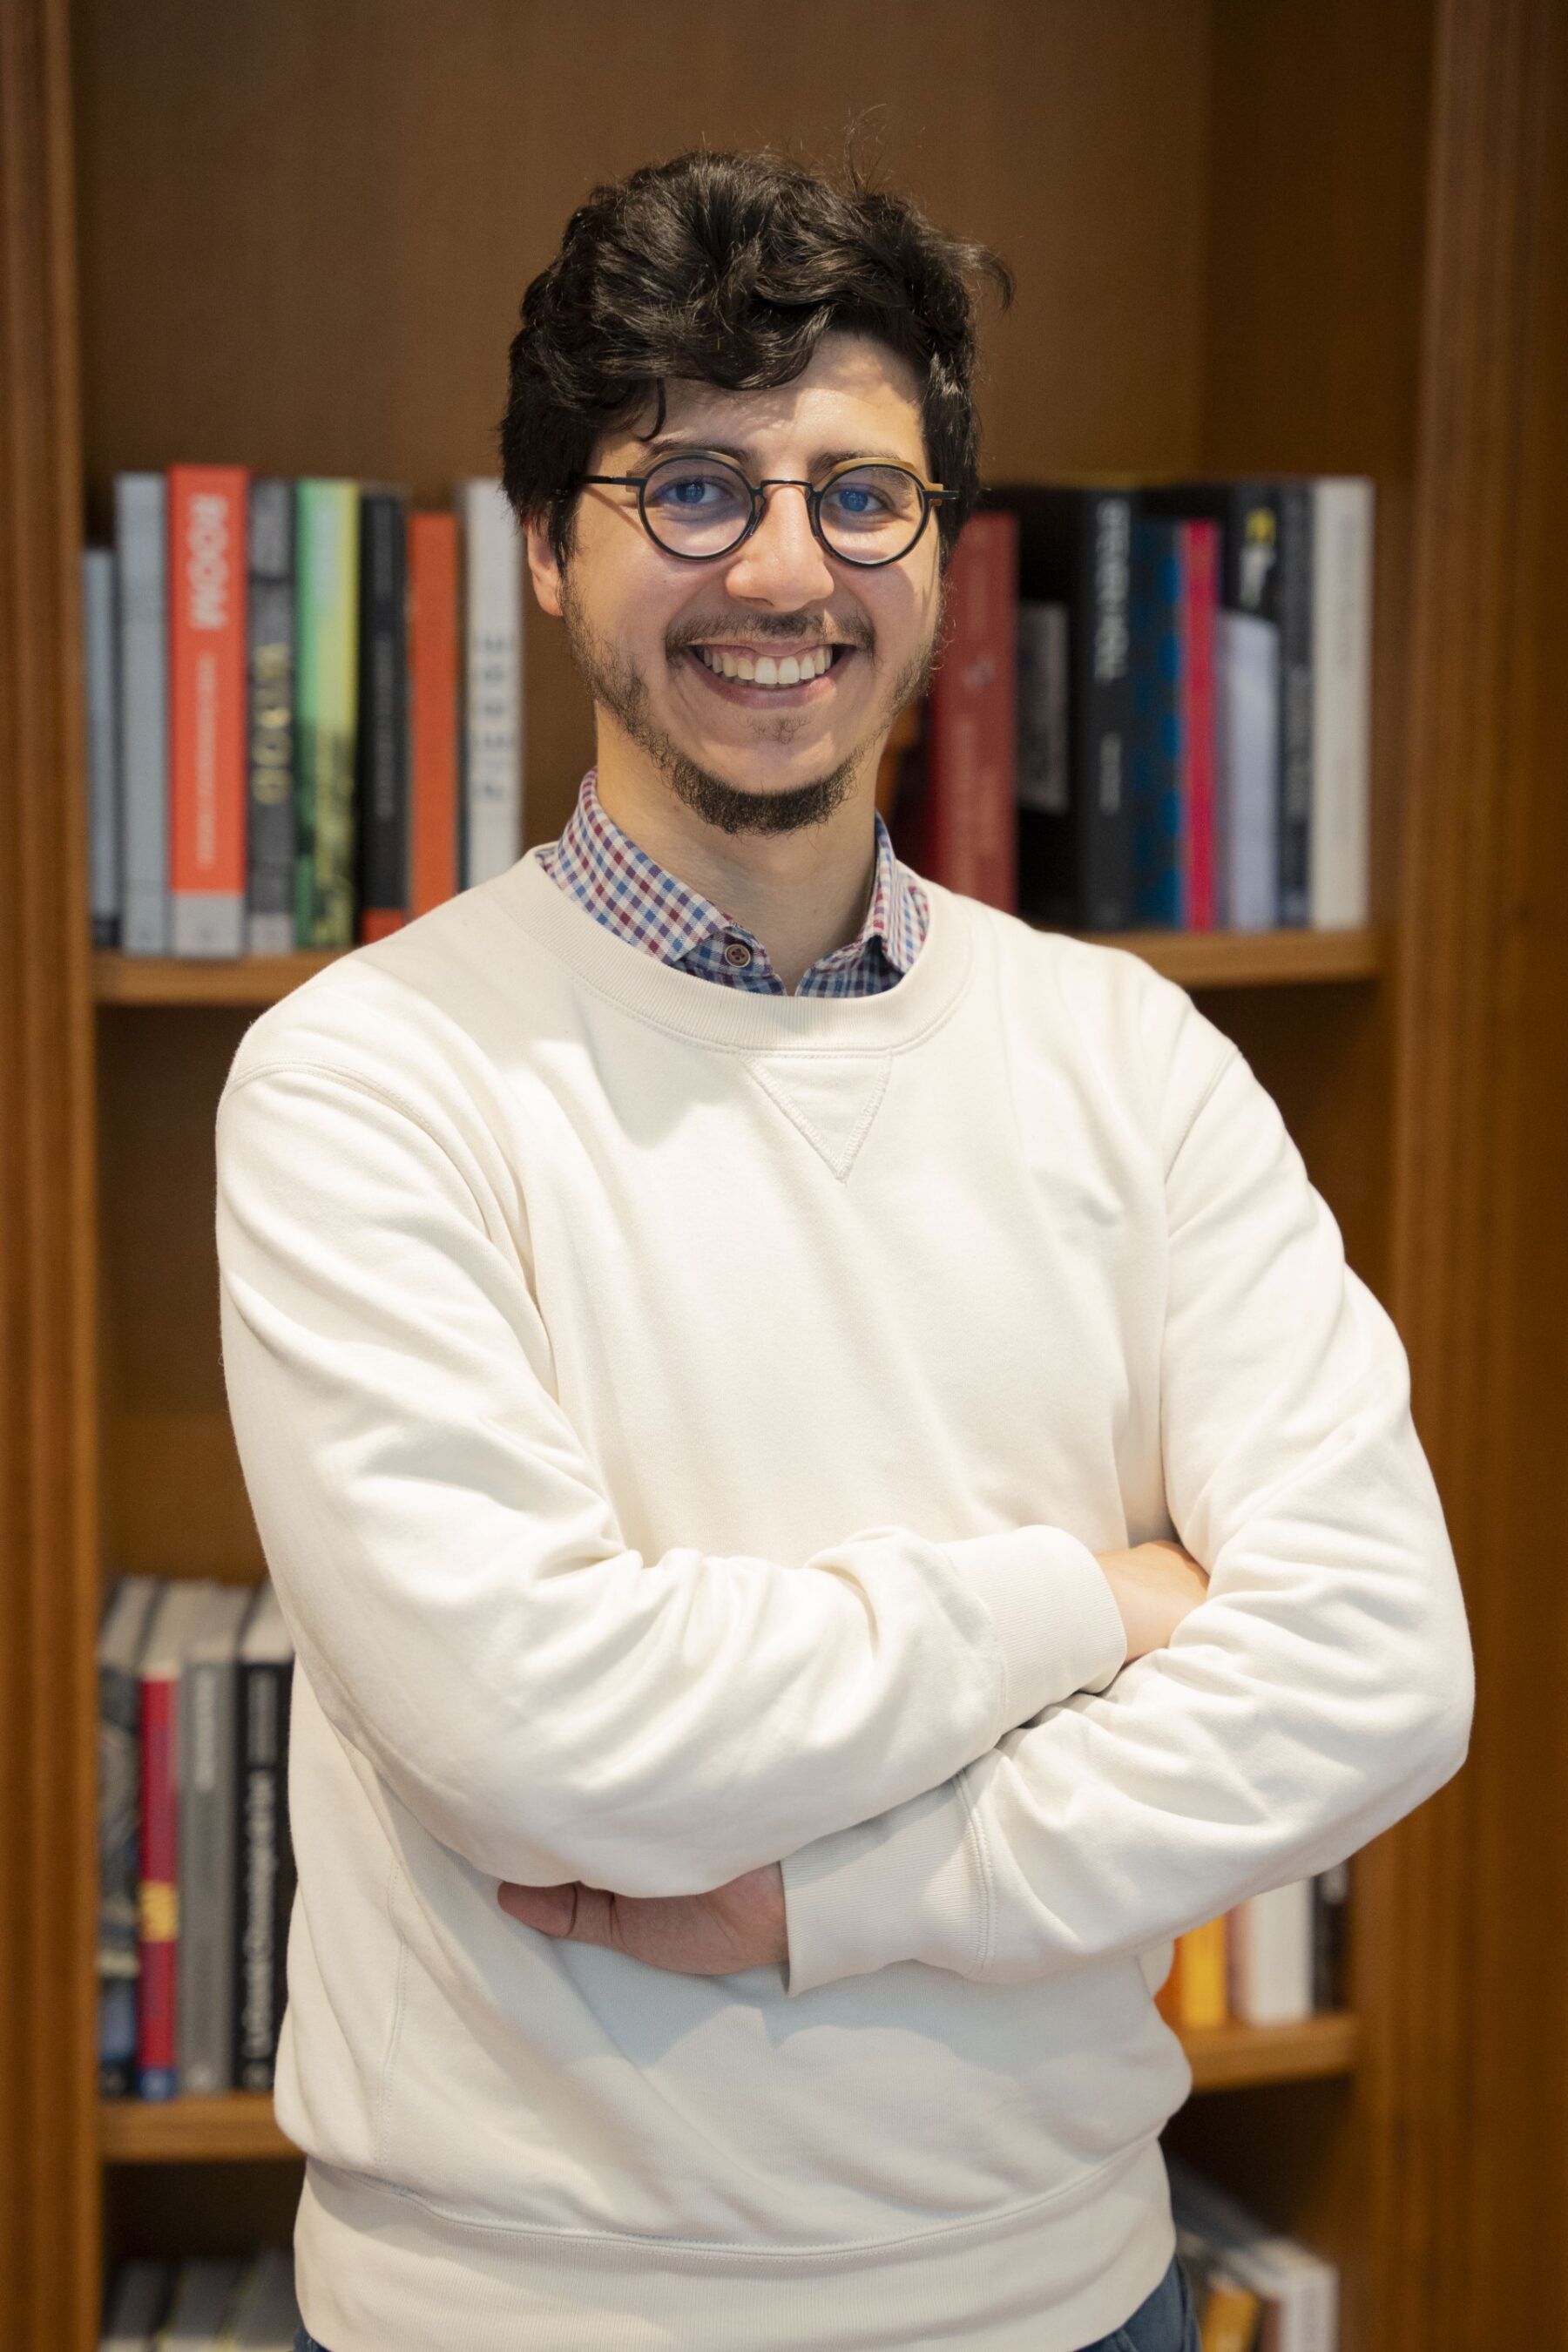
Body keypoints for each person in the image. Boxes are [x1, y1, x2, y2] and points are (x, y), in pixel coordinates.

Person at [213, 149, 1474, 2352]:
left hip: (1071, 2296)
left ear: (941, 553)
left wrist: (835, 1892)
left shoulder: (1133, 1062)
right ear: (546, 545)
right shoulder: (365, 1080)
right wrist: (1089, 1604)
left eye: (860, 497)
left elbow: (1378, 1673)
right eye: (691, 488)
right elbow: (541, 1737)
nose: (786, 568)